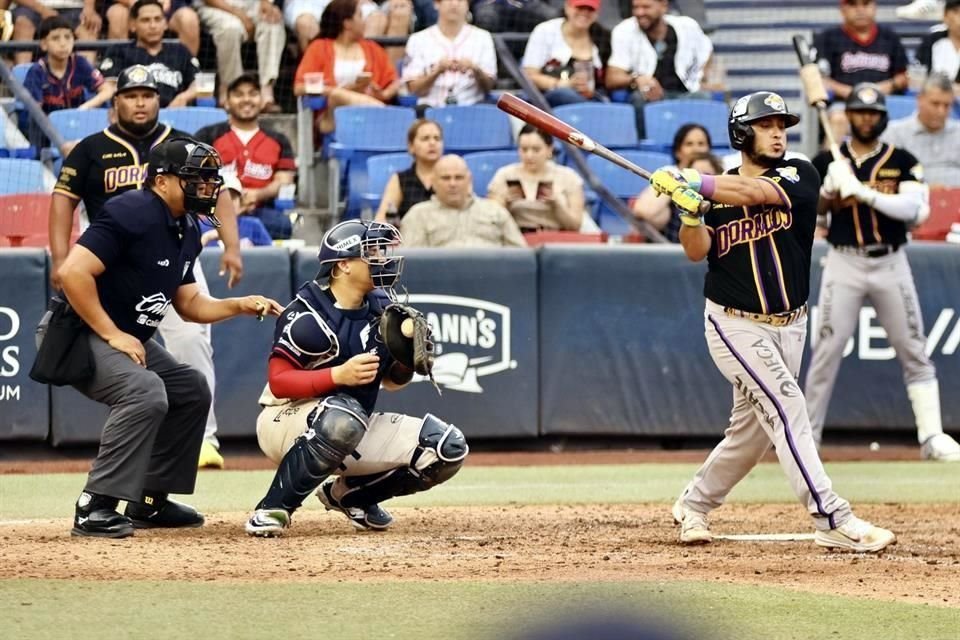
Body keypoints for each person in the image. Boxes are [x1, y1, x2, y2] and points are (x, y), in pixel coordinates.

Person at [649, 90, 897, 552]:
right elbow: (696, 250)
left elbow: (754, 192)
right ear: (743, 132)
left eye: (782, 125)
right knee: (788, 406)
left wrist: (693, 182)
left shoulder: (799, 171)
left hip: (790, 323)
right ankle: (831, 518)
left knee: (751, 433)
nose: (778, 133)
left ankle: (694, 504)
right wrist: (688, 214)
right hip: (732, 322)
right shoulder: (715, 190)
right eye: (767, 125)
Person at [47, 137, 283, 538]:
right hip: (78, 332)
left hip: (121, 336)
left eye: (210, 179)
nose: (207, 187)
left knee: (190, 387)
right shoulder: (132, 211)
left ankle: (148, 501)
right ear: (161, 182)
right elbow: (72, 273)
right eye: (196, 178)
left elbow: (189, 302)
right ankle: (95, 505)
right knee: (146, 392)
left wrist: (237, 304)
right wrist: (112, 333)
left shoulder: (186, 226)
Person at [49, 65, 244, 469]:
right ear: (116, 101)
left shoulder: (184, 147)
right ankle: (129, 458)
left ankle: (202, 439)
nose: (141, 101)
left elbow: (217, 190)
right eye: (132, 94)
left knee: (190, 342)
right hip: (110, 262)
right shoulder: (91, 148)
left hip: (174, 255)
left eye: (148, 94)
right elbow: (63, 200)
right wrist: (59, 256)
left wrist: (231, 245)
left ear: (159, 99)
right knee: (125, 360)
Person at [245, 219, 468, 537]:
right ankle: (273, 508)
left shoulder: (383, 309)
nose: (383, 259)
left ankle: (351, 496)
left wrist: (407, 361)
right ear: (343, 265)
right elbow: (280, 381)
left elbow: (391, 383)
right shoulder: (307, 315)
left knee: (445, 449)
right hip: (283, 420)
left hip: (352, 421)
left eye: (382, 251)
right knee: (343, 416)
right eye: (372, 252)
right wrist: (338, 374)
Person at [804, 83, 960, 462]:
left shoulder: (901, 159)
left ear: (882, 117)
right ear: (850, 115)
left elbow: (914, 209)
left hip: (891, 260)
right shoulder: (828, 160)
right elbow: (811, 212)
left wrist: (865, 193)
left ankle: (931, 437)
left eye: (872, 113)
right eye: (859, 112)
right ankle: (807, 439)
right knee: (825, 350)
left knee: (913, 347)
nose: (865, 119)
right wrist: (828, 194)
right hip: (844, 260)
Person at [195, 73, 297, 239]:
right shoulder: (208, 135)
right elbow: (193, 176)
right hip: (215, 209)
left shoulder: (278, 139)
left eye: (253, 94)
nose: (246, 99)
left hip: (261, 210)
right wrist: (226, 200)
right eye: (238, 94)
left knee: (283, 226)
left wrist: (257, 195)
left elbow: (284, 180)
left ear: (262, 100)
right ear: (226, 102)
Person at [605, 0, 714, 138]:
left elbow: (707, 51)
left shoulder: (687, 26)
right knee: (639, 99)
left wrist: (702, 78)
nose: (639, 13)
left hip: (686, 93)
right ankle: (647, 146)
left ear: (663, 6)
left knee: (705, 99)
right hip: (651, 97)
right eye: (636, 7)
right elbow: (611, 78)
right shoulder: (624, 30)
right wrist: (637, 79)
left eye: (646, 7)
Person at [293, 0, 400, 134]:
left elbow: (395, 82)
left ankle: (378, 111)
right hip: (332, 117)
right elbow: (299, 88)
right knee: (336, 96)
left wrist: (384, 93)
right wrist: (335, 90)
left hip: (366, 116)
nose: (364, 21)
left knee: (341, 95)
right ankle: (383, 113)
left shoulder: (373, 48)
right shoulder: (319, 47)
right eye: (360, 16)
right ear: (347, 23)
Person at [813, 0, 909, 141]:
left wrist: (882, 89)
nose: (860, 10)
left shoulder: (890, 38)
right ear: (843, 9)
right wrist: (851, 93)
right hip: (844, 104)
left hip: (884, 103)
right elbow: (818, 78)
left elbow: (904, 77)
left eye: (865, 4)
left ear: (874, 7)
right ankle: (830, 161)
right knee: (838, 120)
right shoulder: (828, 38)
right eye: (853, 4)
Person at [401, 154, 527, 247]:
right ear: (433, 183)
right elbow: (411, 265)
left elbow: (521, 256)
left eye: (459, 177)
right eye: (445, 178)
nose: (453, 183)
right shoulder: (417, 215)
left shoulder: (496, 212)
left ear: (469, 180)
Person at [486, 124, 586, 233]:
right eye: (524, 149)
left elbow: (575, 226)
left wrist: (557, 205)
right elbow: (491, 222)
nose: (529, 155)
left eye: (536, 150)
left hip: (557, 240)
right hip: (516, 239)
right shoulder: (504, 175)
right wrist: (504, 203)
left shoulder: (569, 177)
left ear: (549, 149)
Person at [100, 0, 199, 108]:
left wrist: (184, 97)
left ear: (165, 23)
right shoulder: (119, 51)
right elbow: (109, 87)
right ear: (133, 25)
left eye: (157, 19)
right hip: (135, 117)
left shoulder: (180, 51)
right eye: (145, 20)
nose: (153, 26)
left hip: (175, 115)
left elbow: (198, 83)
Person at [402, 0, 497, 108]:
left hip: (472, 111)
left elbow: (489, 86)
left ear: (467, 5)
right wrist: (437, 72)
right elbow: (414, 89)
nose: (454, 4)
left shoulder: (483, 37)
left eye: (460, 0)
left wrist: (475, 69)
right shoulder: (418, 39)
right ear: (437, 3)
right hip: (429, 111)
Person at [196, 0, 285, 110]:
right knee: (230, 29)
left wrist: (266, 2)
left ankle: (266, 93)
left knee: (272, 24)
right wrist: (239, 15)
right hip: (216, 7)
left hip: (251, 5)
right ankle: (232, 90)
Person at [521, 0, 611, 107]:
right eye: (580, 7)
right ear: (567, 7)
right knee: (564, 94)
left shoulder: (603, 37)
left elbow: (608, 81)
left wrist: (590, 90)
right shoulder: (545, 31)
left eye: (590, 9)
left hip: (593, 99)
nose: (585, 13)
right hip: (549, 102)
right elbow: (529, 76)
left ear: (597, 13)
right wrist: (561, 84)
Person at [631, 123, 711, 242]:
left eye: (701, 144)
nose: (696, 149)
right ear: (678, 152)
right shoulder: (669, 173)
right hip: (677, 247)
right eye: (689, 144)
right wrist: (684, 182)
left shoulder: (719, 174)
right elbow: (643, 211)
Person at [882, 74, 960, 187]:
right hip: (914, 199)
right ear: (920, 100)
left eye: (947, 105)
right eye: (935, 104)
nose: (941, 111)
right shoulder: (895, 133)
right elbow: (886, 177)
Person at [23, 16, 112, 114]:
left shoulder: (80, 63)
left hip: (78, 122)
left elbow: (107, 90)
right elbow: (35, 112)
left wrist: (85, 108)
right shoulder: (36, 71)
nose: (63, 43)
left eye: (68, 37)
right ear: (44, 44)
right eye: (55, 38)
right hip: (48, 126)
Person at [374, 118, 443, 222]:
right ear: (411, 147)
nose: (432, 143)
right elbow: (382, 220)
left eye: (437, 138)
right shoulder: (400, 179)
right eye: (425, 138)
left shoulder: (453, 177)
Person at [9, 0, 100, 65]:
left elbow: (88, 10)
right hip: (31, 7)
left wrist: (89, 8)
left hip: (73, 7)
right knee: (23, 23)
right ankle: (22, 81)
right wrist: (43, 10)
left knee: (90, 28)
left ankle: (84, 83)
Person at [199, 172, 274, 247]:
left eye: (233, 198)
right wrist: (207, 237)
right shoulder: (200, 226)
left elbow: (271, 256)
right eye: (222, 199)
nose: (228, 203)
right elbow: (193, 256)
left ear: (240, 202)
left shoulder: (253, 226)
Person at [105, 0, 202, 56]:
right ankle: (119, 69)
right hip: (128, 5)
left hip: (170, 7)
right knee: (117, 15)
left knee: (189, 18)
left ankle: (187, 70)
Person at [915, 0, 960, 94]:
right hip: (934, 97)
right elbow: (918, 78)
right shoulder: (932, 40)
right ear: (945, 16)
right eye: (956, 12)